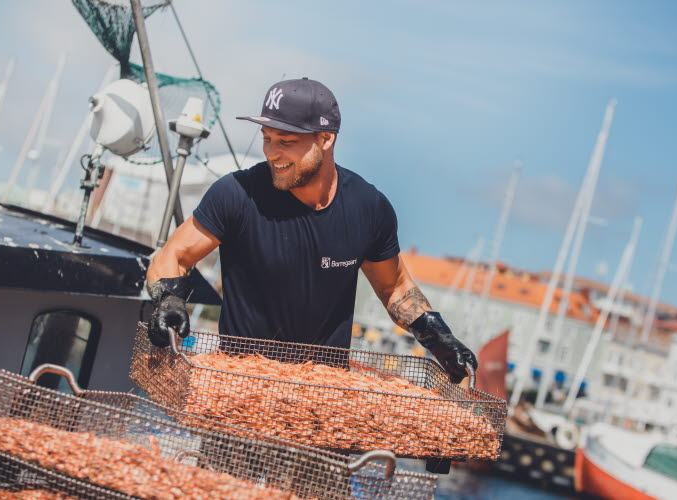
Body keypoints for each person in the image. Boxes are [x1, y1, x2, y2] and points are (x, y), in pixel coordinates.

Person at [146, 77, 477, 383]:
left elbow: (394, 288)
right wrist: (170, 300)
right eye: (267, 139)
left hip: (321, 392)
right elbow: (173, 256)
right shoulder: (237, 194)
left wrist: (440, 339)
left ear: (326, 138)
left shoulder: (368, 207)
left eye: (287, 141)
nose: (273, 153)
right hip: (240, 382)